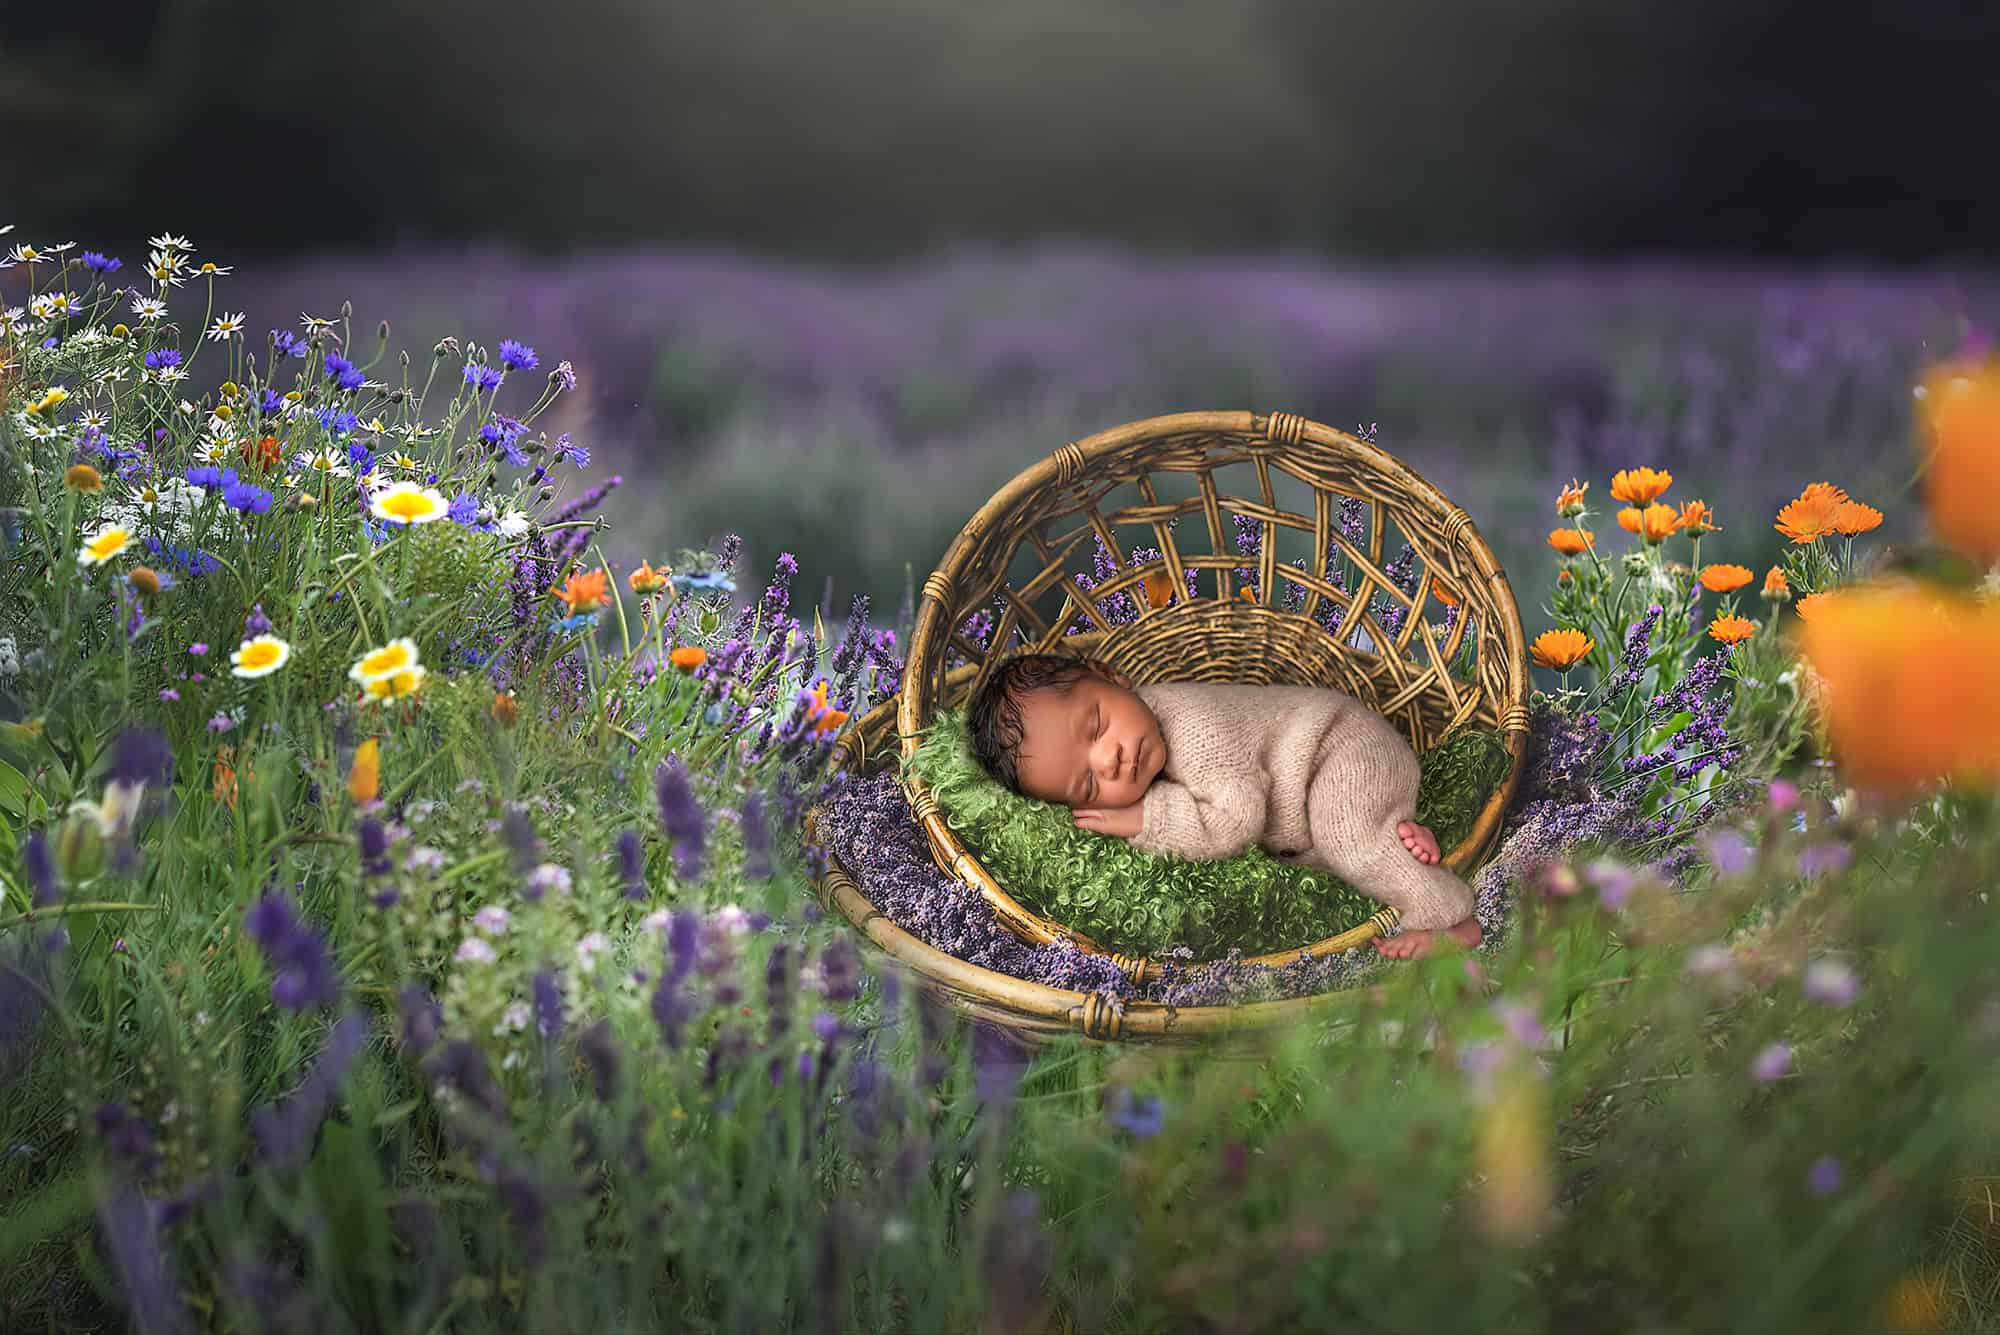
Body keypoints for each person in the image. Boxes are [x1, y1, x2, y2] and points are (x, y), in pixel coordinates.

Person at [966, 653, 1482, 959]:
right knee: (1329, 857)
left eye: (1098, 725)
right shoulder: (1143, 744)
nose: (1112, 760)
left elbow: (1236, 822)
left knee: (1347, 835)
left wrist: (1149, 818)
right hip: (1305, 805)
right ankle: (1398, 833)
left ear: (1113, 677)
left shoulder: (1193, 728)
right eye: (1087, 784)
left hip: (1340, 747)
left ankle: (1450, 918)